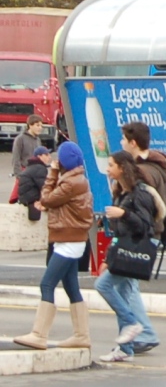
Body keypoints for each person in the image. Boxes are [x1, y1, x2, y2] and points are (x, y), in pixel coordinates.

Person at [14, 141, 94, 350]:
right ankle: (81, 334)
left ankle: (39, 334)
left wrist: (52, 173)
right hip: (72, 240)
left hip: (68, 241)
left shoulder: (69, 183)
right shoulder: (77, 180)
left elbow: (47, 198)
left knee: (47, 284)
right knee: (71, 287)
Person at [97, 150, 166, 363]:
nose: (108, 169)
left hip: (134, 251)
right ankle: (126, 349)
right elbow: (119, 232)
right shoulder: (121, 192)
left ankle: (132, 323)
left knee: (103, 286)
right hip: (123, 249)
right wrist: (108, 258)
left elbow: (146, 225)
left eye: (111, 165)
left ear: (122, 168)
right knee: (123, 295)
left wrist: (124, 214)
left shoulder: (140, 193)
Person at [117, 121, 166, 354]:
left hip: (141, 234)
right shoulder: (158, 167)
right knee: (127, 285)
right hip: (150, 232)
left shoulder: (141, 172)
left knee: (126, 285)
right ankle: (139, 331)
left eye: (123, 140)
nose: (120, 143)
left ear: (132, 143)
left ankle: (144, 332)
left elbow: (142, 208)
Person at [17, 146, 52, 220]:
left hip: (25, 199)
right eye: (46, 154)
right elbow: (44, 187)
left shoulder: (32, 166)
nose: (49, 157)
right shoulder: (39, 168)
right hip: (32, 201)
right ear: (39, 156)